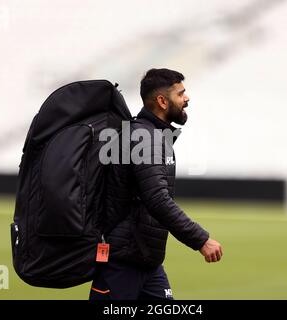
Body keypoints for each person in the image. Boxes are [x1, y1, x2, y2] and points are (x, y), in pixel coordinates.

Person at [89, 68, 223, 300]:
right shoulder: (145, 139)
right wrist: (200, 239)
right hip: (123, 264)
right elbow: (157, 199)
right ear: (162, 101)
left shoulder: (151, 135)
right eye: (181, 94)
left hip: (145, 261)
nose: (187, 98)